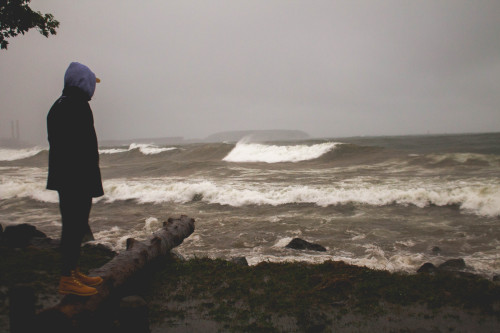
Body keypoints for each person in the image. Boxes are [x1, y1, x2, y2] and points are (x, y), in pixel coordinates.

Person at [47, 62, 104, 296]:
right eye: (92, 82)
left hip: (67, 176)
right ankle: (67, 278)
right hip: (76, 177)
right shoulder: (76, 106)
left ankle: (72, 271)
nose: (94, 88)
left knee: (75, 225)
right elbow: (78, 147)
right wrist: (87, 178)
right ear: (83, 82)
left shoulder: (60, 105)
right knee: (73, 226)